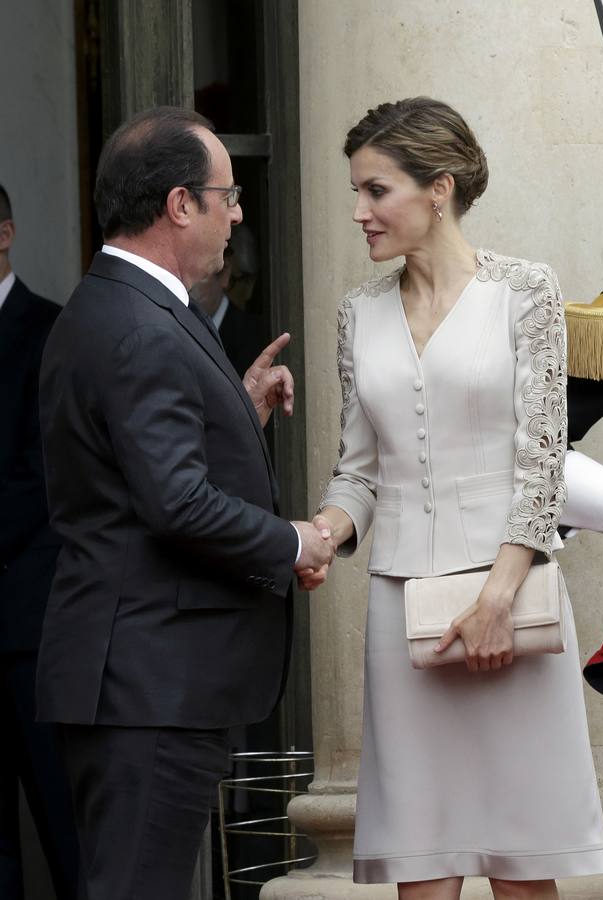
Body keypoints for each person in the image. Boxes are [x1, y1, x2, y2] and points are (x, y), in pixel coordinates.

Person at [311, 96, 603, 900]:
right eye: (357, 192)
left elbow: (543, 456)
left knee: (520, 872)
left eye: (376, 190)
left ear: (438, 188)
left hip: (515, 605)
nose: (359, 212)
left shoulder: (527, 292)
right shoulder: (356, 315)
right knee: (423, 872)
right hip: (402, 617)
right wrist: (324, 531)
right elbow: (359, 471)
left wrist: (498, 597)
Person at [36, 106, 332, 900]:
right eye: (226, 196)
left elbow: (134, 469)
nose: (238, 213)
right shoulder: (142, 325)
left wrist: (235, 410)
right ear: (179, 204)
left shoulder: (117, 305)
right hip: (149, 683)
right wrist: (291, 542)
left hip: (140, 679)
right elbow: (174, 503)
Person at [0, 183, 81, 899]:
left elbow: (43, 473)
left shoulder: (48, 328)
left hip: (28, 623)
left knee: (62, 821)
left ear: (6, 234)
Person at [189, 240, 268, 378]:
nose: (186, 286)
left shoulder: (255, 338)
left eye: (199, 275)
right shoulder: (171, 328)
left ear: (225, 273)